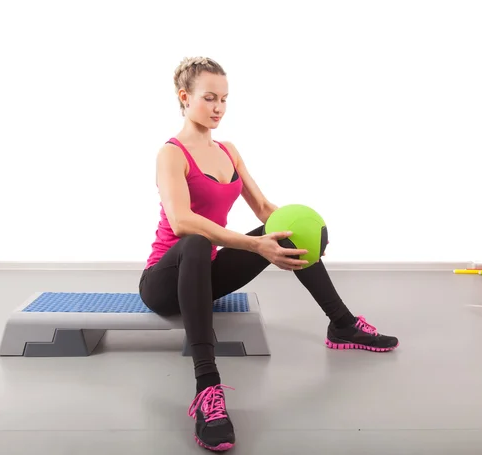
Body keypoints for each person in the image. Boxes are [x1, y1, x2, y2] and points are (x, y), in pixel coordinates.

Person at [138, 56, 399, 452]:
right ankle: (208, 391)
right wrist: (255, 245)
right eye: (209, 98)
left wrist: (305, 233)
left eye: (224, 99)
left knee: (285, 232)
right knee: (195, 242)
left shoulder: (229, 151)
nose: (218, 108)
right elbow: (181, 223)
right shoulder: (171, 154)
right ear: (184, 97)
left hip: (205, 275)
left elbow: (263, 209)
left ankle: (342, 325)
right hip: (164, 280)